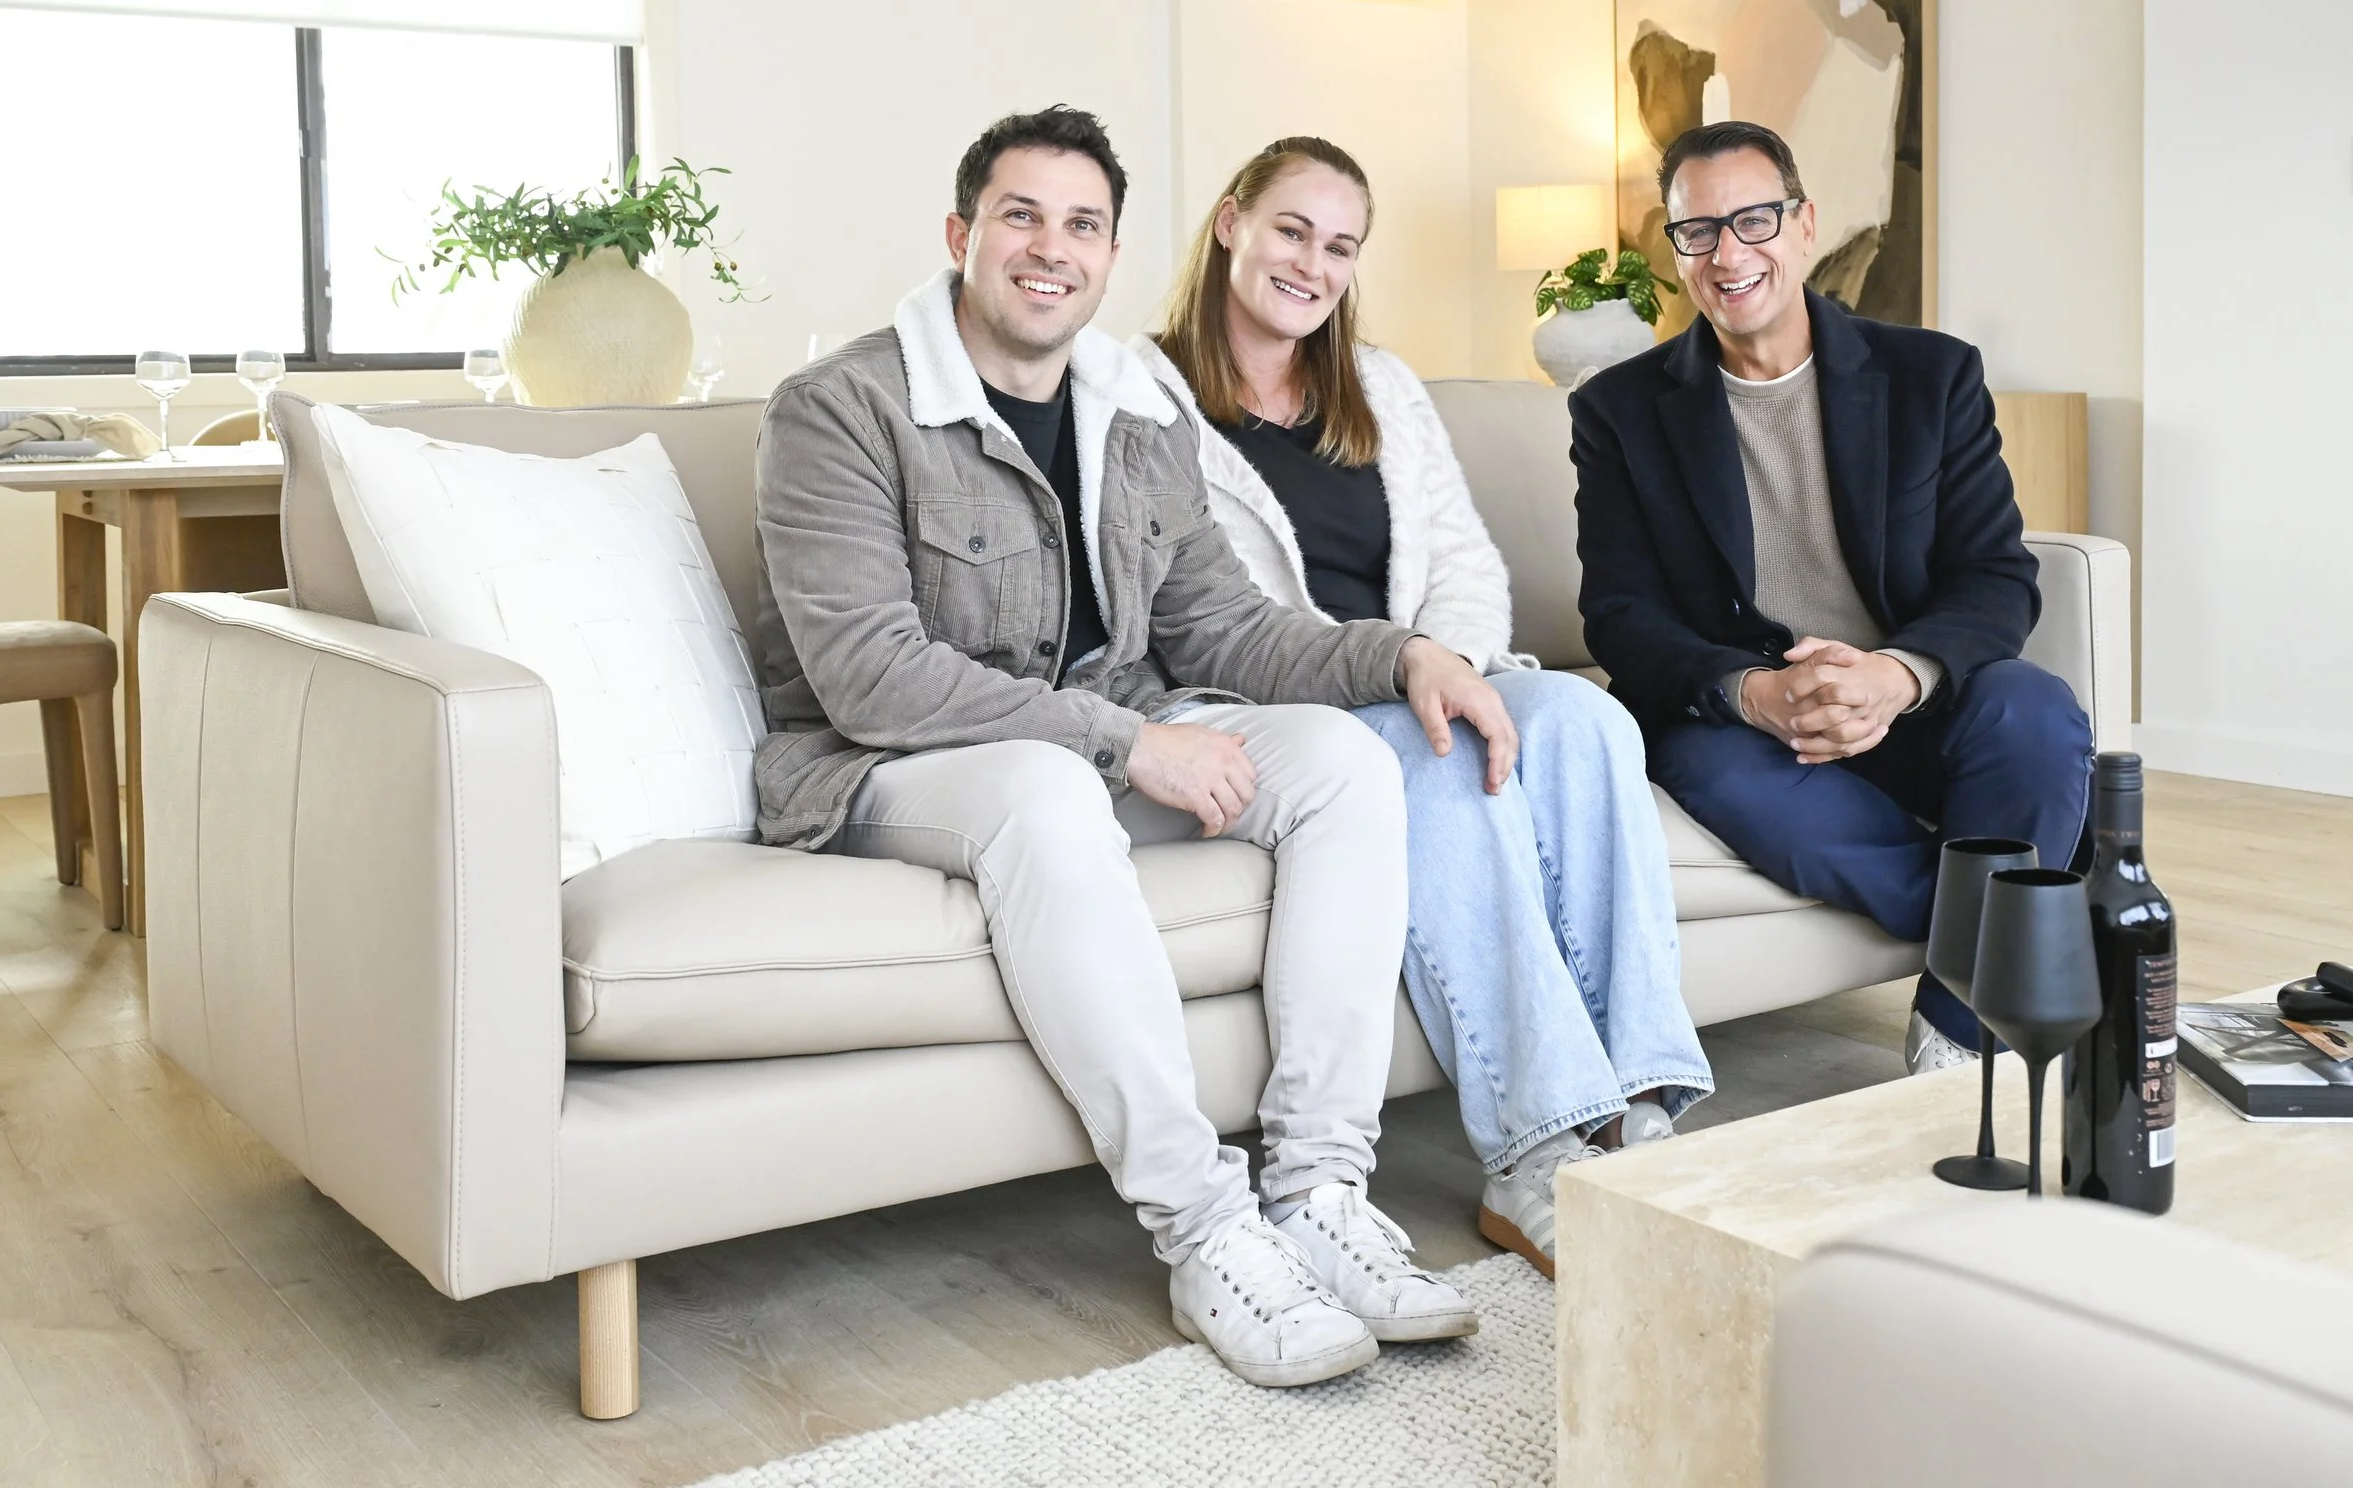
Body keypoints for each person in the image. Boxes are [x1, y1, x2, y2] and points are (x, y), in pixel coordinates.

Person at [753, 106, 1520, 1388]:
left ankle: (1320, 1190)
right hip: (886, 766)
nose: (1051, 250)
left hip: (1095, 743)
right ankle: (1203, 1227)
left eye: (1083, 225)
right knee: (1050, 791)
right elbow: (871, 676)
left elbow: (1226, 623)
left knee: (1341, 761)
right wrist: (1127, 743)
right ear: (961, 235)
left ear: (1110, 255)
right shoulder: (841, 408)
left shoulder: (1136, 412)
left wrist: (1398, 655)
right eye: (1021, 216)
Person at [1133, 136, 1710, 1280]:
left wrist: (1451, 660)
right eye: (1291, 229)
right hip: (1283, 697)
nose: (1313, 263)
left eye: (1340, 246)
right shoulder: (1140, 394)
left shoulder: (1380, 385)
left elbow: (1462, 557)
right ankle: (1536, 1149)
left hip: (1423, 671)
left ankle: (1639, 1106)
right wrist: (1400, 675)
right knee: (1438, 756)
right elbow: (1196, 617)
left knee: (1591, 723)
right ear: (1230, 224)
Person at [1568, 119, 2094, 1074]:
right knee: (1719, 775)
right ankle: (2032, 930)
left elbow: (1995, 572)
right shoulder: (1618, 410)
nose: (1730, 254)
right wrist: (1752, 695)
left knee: (2036, 711)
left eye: (1754, 219)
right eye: (1699, 231)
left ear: (1805, 225)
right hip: (1751, 724)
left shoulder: (1930, 375)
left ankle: (1956, 1022)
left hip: (1910, 702)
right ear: (1676, 250)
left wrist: (1898, 675)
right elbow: (1622, 615)